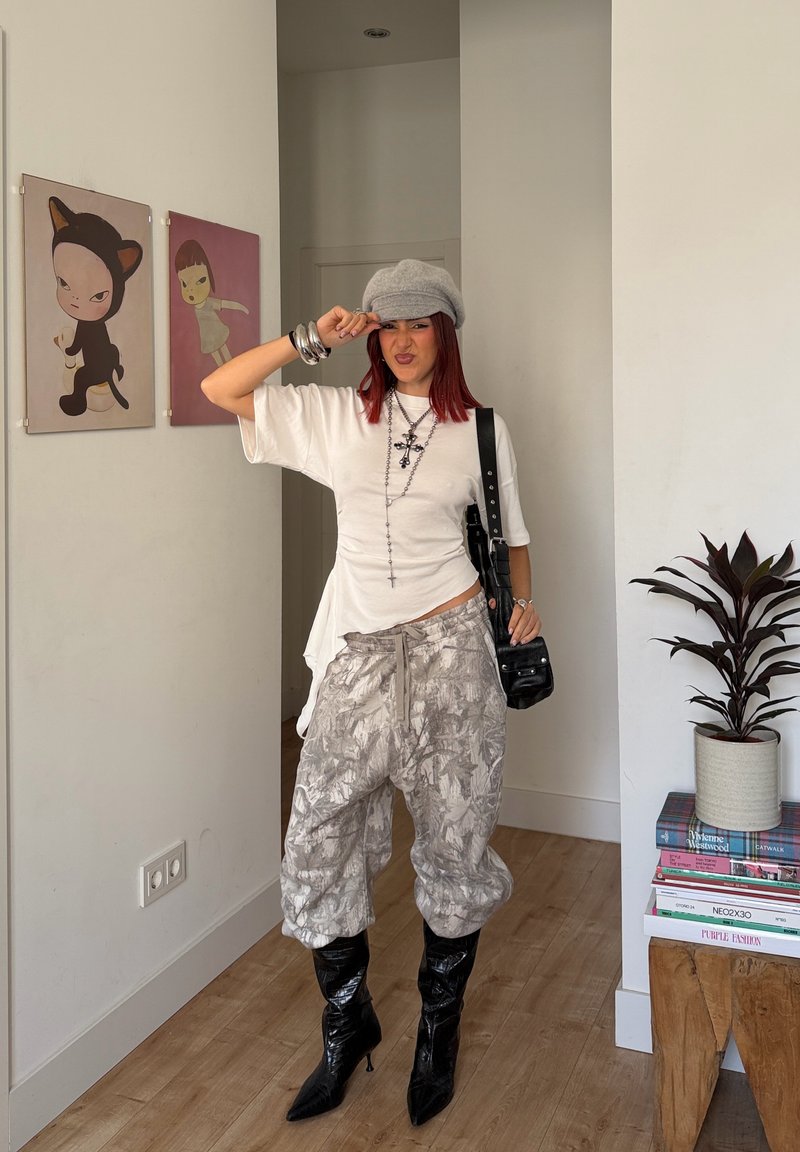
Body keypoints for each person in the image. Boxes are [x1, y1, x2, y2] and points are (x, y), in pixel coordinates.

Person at [202, 259, 541, 1127]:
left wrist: (525, 605)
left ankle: (438, 1028)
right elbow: (220, 386)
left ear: (444, 334)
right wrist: (309, 337)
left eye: (417, 324)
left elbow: (513, 540)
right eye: (387, 325)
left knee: (456, 840)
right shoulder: (336, 416)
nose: (400, 339)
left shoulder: (484, 430)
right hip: (357, 650)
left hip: (453, 647)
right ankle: (347, 1023)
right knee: (317, 831)